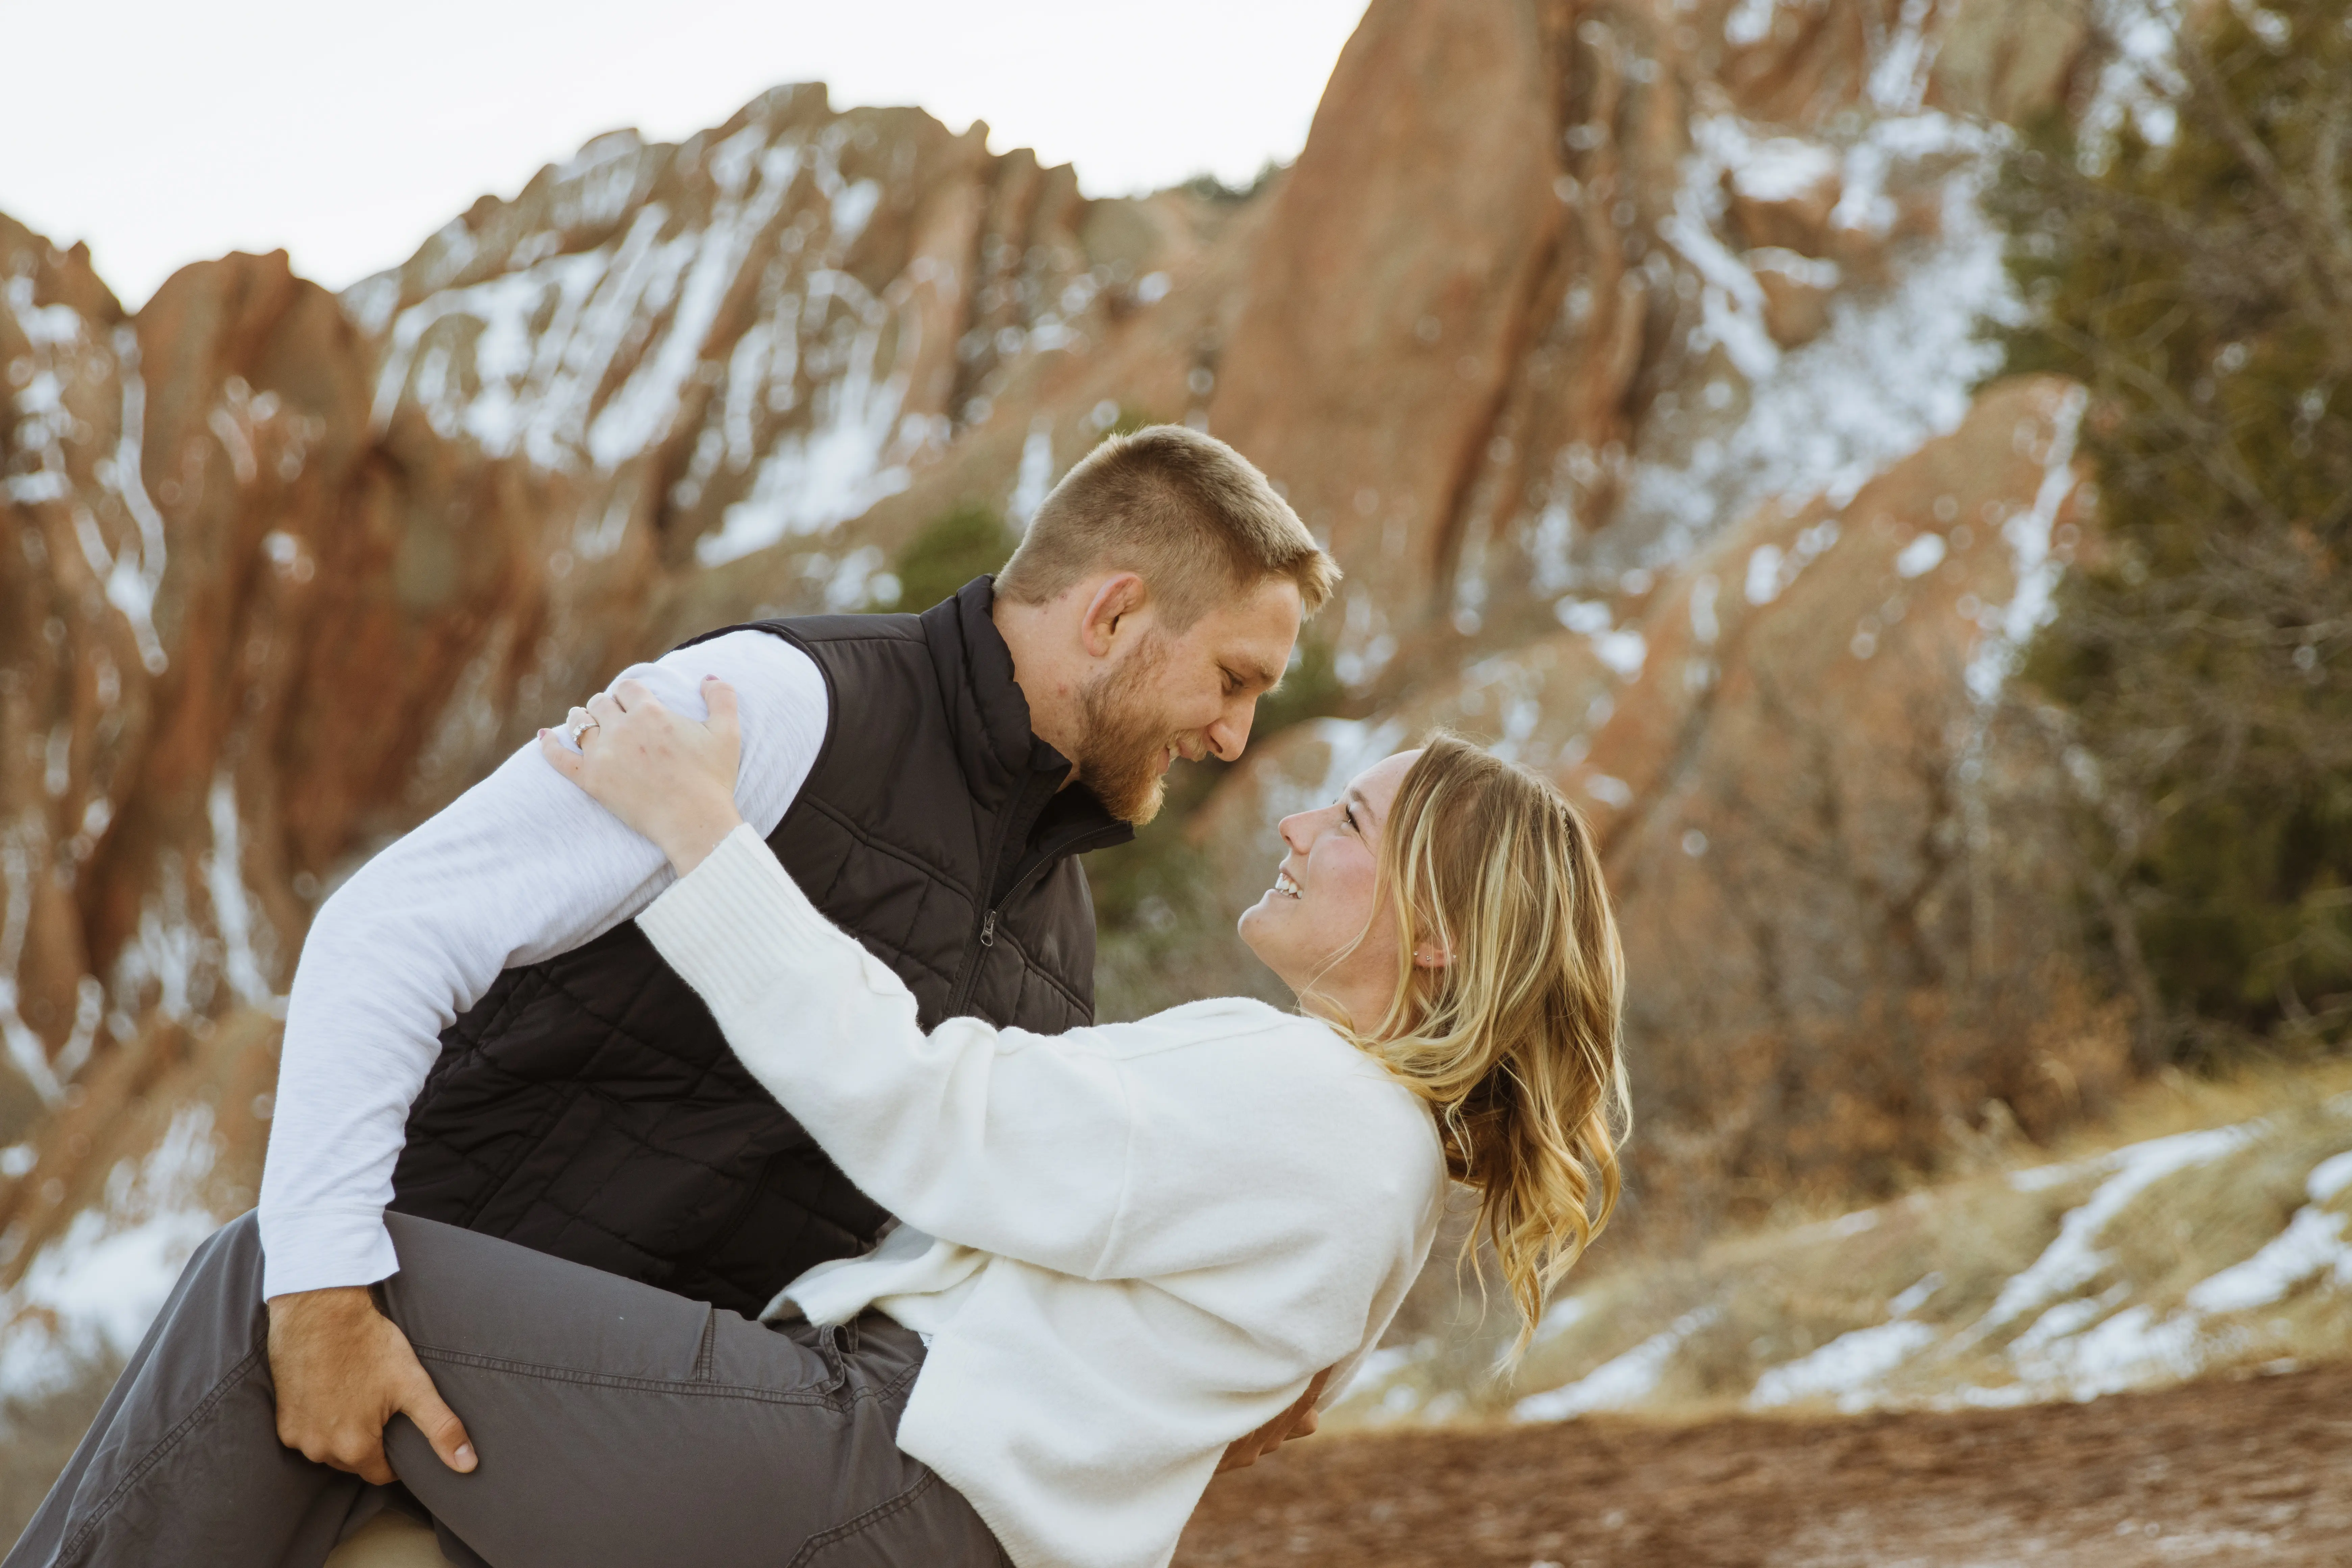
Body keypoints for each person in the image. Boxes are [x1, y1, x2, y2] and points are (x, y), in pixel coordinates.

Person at [5, 699, 1630, 1568]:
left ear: (1435, 939)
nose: (1293, 812)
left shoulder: (1316, 1103)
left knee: (273, 1296)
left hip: (872, 1478)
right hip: (911, 1506)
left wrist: (698, 830)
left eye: (1351, 820)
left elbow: (929, 1108)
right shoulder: (1376, 1153)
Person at [249, 423, 1337, 1500]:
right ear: (1113, 614)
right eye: (1233, 680)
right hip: (385, 1364)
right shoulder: (772, 704)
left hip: (606, 1478)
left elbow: (957, 1264)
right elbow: (389, 929)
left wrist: (1194, 1402)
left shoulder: (1063, 934)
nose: (1235, 737)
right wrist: (323, 1296)